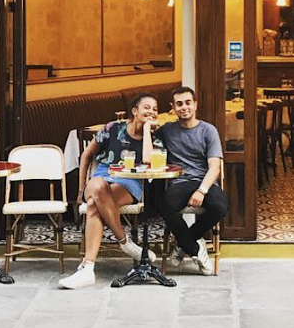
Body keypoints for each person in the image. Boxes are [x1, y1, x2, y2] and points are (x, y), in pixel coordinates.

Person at [58, 92, 163, 290]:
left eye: (155, 109)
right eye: (146, 107)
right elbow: (87, 155)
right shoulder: (113, 128)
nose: (151, 111)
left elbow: (149, 160)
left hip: (129, 181)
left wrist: (148, 129)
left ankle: (88, 269)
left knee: (93, 206)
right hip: (102, 175)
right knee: (97, 187)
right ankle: (125, 241)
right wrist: (81, 188)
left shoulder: (155, 136)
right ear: (135, 111)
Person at [156, 86, 228, 276]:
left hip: (205, 180)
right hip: (180, 181)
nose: (184, 107)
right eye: (179, 104)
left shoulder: (208, 130)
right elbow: (144, 139)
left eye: (188, 103)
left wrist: (202, 190)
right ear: (173, 107)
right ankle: (195, 249)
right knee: (165, 205)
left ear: (195, 104)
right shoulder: (167, 130)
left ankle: (184, 243)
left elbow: (215, 167)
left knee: (220, 206)